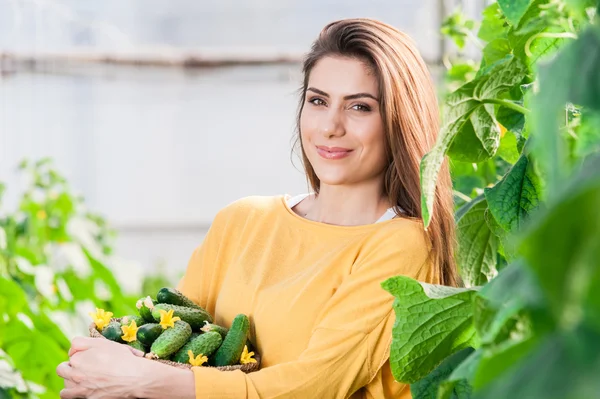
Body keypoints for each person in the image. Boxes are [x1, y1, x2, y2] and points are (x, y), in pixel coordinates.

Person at [56, 17, 458, 399]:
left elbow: (314, 386)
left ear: (398, 120)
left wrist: (144, 380)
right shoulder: (242, 221)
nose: (330, 126)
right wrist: (108, 366)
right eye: (318, 100)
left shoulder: (403, 243)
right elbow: (172, 340)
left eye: (359, 107)